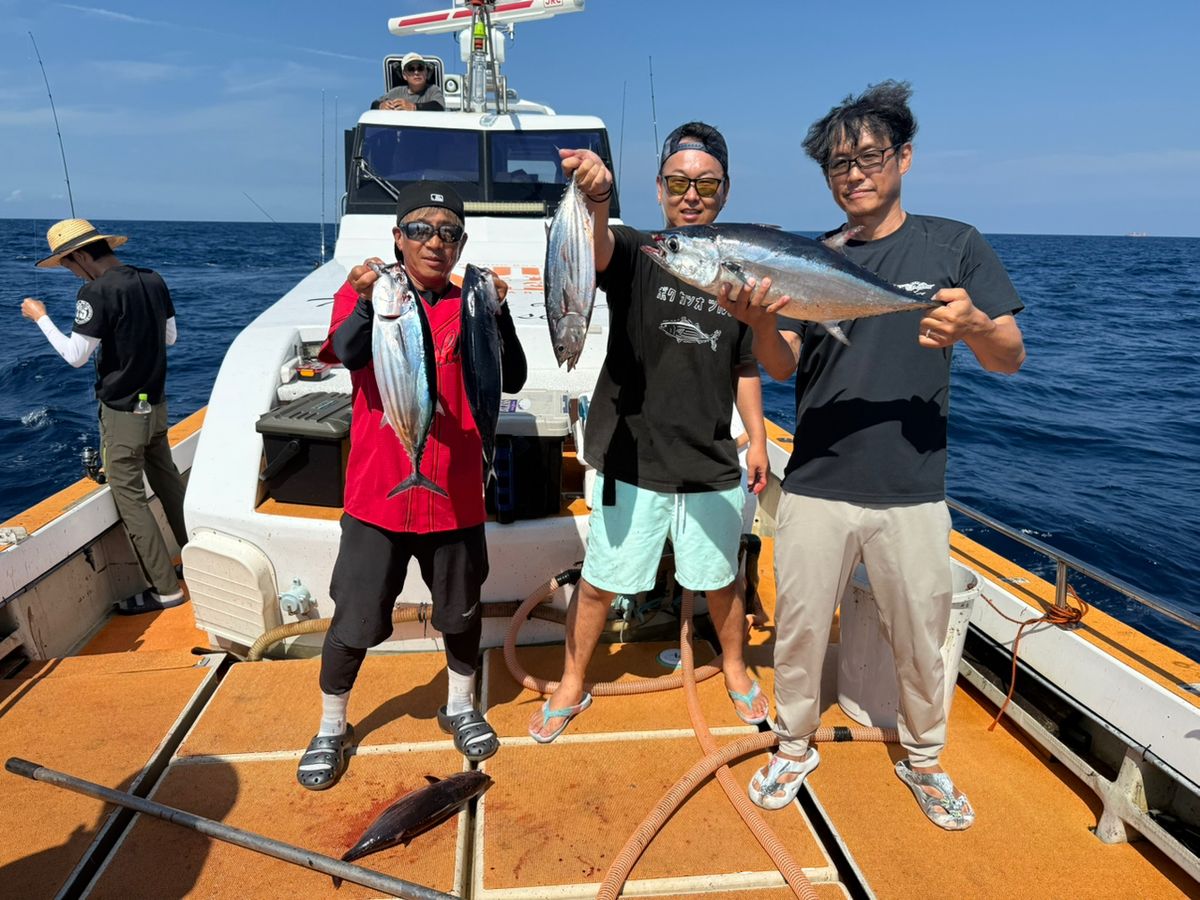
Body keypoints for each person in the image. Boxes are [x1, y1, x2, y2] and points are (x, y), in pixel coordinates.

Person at [721, 81, 1026, 829]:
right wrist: (760, 322)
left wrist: (977, 326)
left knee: (919, 637)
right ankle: (793, 744)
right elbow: (783, 365)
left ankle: (924, 758)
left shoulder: (954, 245)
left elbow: (1010, 356)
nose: (852, 173)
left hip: (913, 486)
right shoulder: (806, 255)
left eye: (867, 157)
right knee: (796, 627)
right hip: (819, 480)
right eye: (836, 164)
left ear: (904, 158)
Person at [528, 122, 771, 743]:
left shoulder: (739, 265)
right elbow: (597, 247)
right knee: (601, 582)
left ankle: (737, 669)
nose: (693, 194)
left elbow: (745, 362)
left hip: (710, 455)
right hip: (629, 454)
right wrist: (598, 197)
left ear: (724, 190)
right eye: (680, 183)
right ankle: (574, 682)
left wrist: (759, 439)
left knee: (721, 580)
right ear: (660, 189)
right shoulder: (639, 250)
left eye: (707, 184)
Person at [297, 182, 527, 790]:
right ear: (397, 238)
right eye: (420, 229)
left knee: (461, 613)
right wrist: (369, 299)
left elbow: (517, 374)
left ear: (461, 244)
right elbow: (347, 352)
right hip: (378, 497)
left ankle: (458, 705)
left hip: (455, 495)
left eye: (449, 232)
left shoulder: (469, 302)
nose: (435, 241)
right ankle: (330, 727)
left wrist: (498, 311)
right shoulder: (366, 289)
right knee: (356, 618)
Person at [21, 219, 188, 615]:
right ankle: (196, 560)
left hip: (123, 413)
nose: (69, 272)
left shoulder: (93, 291)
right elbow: (170, 338)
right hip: (157, 406)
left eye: (67, 265)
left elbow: (76, 357)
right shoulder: (153, 279)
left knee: (130, 498)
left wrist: (40, 316)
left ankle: (166, 590)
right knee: (168, 485)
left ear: (80, 256)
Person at [373, 52, 445, 111]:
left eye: (420, 68)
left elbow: (439, 106)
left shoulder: (433, 90)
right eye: (411, 69)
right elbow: (374, 104)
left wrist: (413, 107)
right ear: (404, 75)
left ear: (426, 73)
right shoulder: (396, 92)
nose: (416, 72)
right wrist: (381, 105)